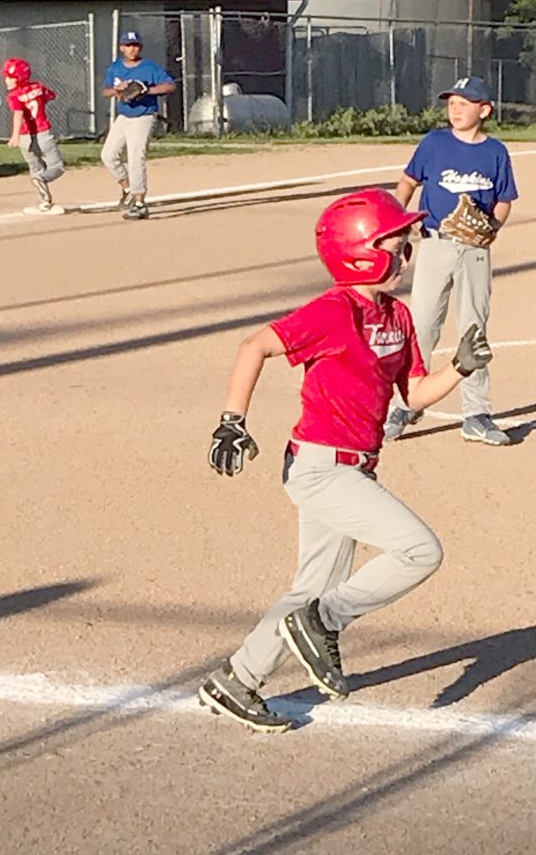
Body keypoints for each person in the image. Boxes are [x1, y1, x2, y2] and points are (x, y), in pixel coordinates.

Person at [197, 188, 493, 733]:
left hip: (353, 467)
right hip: (318, 467)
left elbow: (416, 394)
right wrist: (232, 422)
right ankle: (324, 623)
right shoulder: (333, 311)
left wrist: (462, 368)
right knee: (419, 550)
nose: (405, 252)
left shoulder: (397, 316)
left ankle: (236, 681)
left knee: (308, 590)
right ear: (360, 251)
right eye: (396, 243)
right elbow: (253, 347)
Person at [384, 74, 518, 447]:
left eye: (465, 103)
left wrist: (492, 226)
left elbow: (504, 200)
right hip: (435, 244)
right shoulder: (434, 143)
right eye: (452, 103)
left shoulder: (495, 153)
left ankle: (476, 414)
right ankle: (408, 402)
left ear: (484, 110)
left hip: (475, 249)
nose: (455, 109)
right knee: (422, 325)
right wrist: (399, 219)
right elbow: (409, 181)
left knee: (473, 329)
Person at [101, 29, 175, 221]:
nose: (131, 49)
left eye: (135, 45)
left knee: (135, 159)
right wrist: (117, 89)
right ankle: (127, 189)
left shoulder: (149, 67)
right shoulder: (116, 67)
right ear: (121, 48)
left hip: (143, 116)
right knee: (108, 155)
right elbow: (105, 92)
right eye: (128, 45)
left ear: (140, 47)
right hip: (123, 116)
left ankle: (140, 203)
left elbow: (169, 85)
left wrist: (147, 90)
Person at [2, 57, 66, 216]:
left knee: (36, 170)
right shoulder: (38, 87)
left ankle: (45, 201)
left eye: (11, 77)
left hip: (25, 137)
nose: (6, 80)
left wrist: (15, 135)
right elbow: (51, 95)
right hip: (43, 133)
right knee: (57, 167)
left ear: (20, 78)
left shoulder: (14, 96)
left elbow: (18, 114)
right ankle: (44, 186)